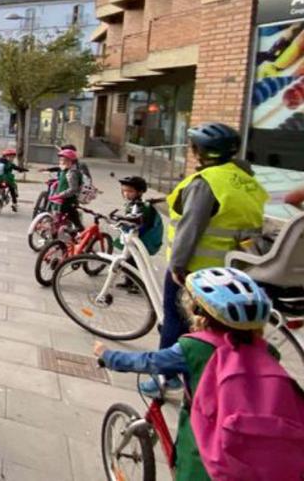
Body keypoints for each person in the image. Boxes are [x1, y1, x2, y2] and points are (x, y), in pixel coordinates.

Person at [93, 268, 280, 480]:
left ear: (200, 314)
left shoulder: (195, 347)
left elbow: (148, 361)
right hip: (262, 449)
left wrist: (108, 355)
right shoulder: (268, 351)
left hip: (207, 453)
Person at [148, 122, 269, 395]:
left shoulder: (206, 182)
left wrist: (178, 266)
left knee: (175, 322)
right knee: (217, 331)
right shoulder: (247, 181)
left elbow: (191, 227)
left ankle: (164, 379)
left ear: (201, 151)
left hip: (196, 270)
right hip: (233, 270)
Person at [118, 176, 163, 256]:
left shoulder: (142, 207)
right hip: (138, 241)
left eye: (130, 191)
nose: (126, 194)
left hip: (146, 242)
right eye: (124, 190)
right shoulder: (132, 204)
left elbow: (141, 226)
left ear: (140, 192)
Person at [48, 148, 85, 233]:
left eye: (65, 160)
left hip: (68, 201)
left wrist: (60, 195)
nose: (62, 162)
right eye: (61, 160)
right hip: (61, 200)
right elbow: (63, 182)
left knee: (75, 222)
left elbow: (73, 189)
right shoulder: (64, 171)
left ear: (71, 162)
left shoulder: (72, 173)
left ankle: (81, 238)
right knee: (57, 220)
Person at [0, 148, 27, 212]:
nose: (12, 158)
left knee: (0, 187)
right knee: (12, 189)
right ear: (6, 157)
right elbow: (17, 168)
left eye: (13, 157)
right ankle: (14, 204)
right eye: (10, 157)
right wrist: (24, 169)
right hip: (8, 180)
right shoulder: (9, 164)